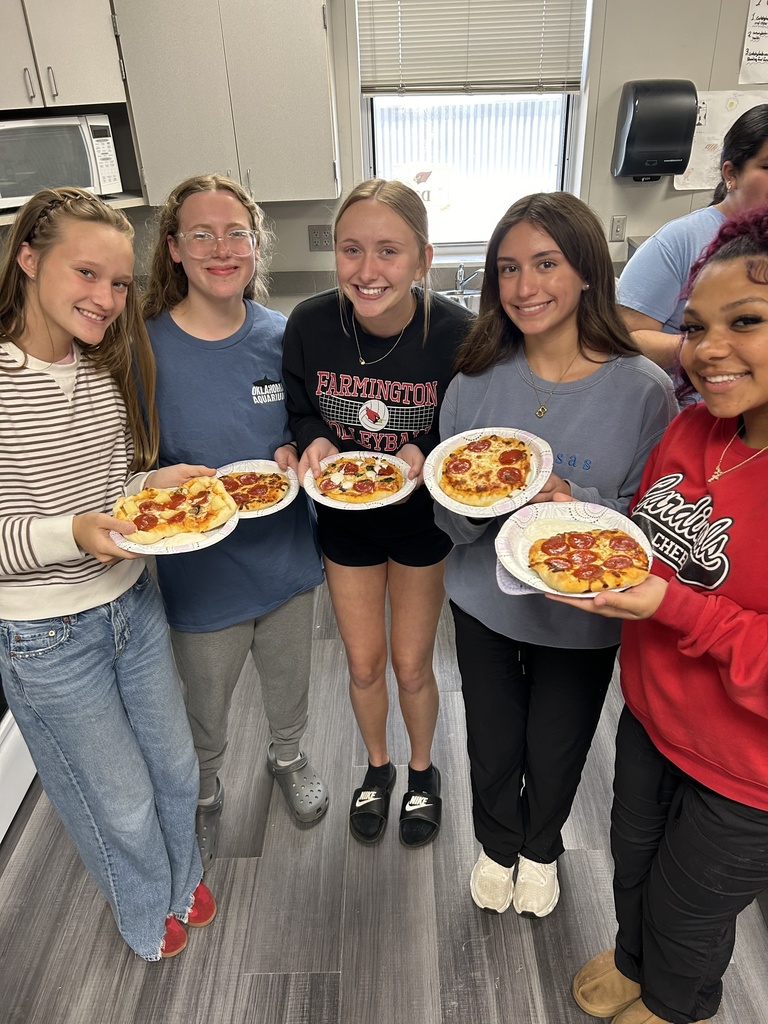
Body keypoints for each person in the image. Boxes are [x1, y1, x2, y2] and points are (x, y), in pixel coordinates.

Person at [434, 192, 677, 918]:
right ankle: (494, 842)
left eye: (546, 264)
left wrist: (573, 501)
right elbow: (450, 516)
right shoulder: (475, 377)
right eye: (507, 269)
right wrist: (477, 500)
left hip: (583, 613)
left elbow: (654, 524)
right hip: (482, 595)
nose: (525, 287)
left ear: (586, 274)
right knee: (491, 734)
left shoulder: (645, 391)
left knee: (559, 739)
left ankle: (542, 847)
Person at [0, 187, 216, 960]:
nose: (107, 298)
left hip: (132, 603)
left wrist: (151, 488)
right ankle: (143, 907)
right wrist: (72, 534)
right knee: (118, 802)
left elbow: (111, 488)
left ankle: (182, 871)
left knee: (175, 766)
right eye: (86, 274)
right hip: (44, 636)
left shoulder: (102, 366)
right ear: (28, 258)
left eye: (120, 283)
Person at [565, 209, 768, 1024]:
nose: (708, 349)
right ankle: (633, 957)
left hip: (745, 768)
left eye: (746, 322)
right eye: (695, 328)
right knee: (634, 865)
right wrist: (571, 517)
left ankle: (678, 1003)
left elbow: (678, 595)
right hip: (651, 716)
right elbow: (644, 540)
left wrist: (674, 606)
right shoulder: (693, 428)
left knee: (693, 911)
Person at [142, 174, 327, 870]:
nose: (221, 248)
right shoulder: (145, 347)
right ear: (175, 249)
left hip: (284, 552)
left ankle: (288, 757)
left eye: (236, 234)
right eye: (202, 234)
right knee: (207, 696)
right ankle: (207, 789)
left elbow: (304, 424)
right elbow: (132, 457)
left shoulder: (283, 337)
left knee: (290, 678)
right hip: (200, 571)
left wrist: (295, 444)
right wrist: (158, 479)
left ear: (255, 246)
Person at [282, 178, 473, 847]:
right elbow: (300, 406)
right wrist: (314, 438)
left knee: (412, 664)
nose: (368, 271)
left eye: (388, 252)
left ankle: (423, 773)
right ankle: (379, 767)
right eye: (351, 250)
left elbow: (470, 430)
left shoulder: (456, 332)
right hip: (345, 522)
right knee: (363, 665)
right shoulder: (308, 324)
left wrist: (429, 447)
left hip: (422, 524)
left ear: (422, 258)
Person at [617, 103, 768, 368]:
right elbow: (628, 337)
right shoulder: (680, 240)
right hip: (697, 399)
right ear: (731, 174)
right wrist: (713, 348)